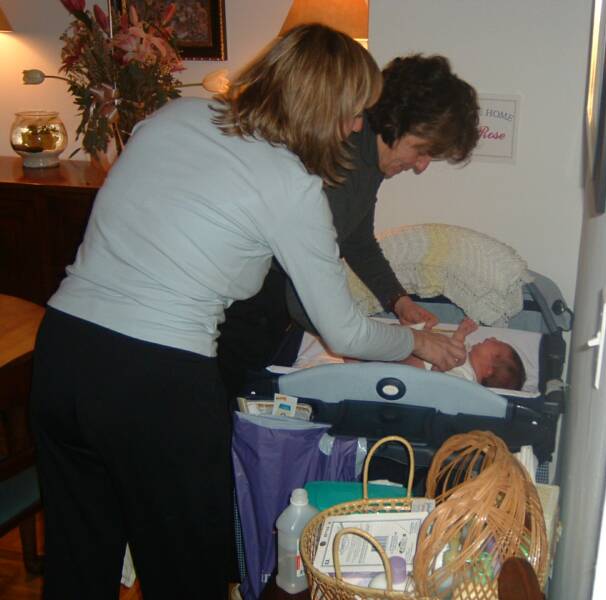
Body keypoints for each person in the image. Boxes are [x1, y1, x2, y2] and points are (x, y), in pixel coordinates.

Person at [28, 25, 466, 600]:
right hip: (155, 381)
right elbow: (342, 330)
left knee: (79, 560)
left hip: (62, 354)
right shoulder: (292, 185)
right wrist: (417, 342)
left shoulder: (172, 116)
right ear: (321, 106)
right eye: (354, 112)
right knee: (187, 574)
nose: (359, 126)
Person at [217, 53, 480, 399]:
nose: (421, 166)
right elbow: (304, 293)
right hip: (248, 301)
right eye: (421, 150)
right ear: (397, 122)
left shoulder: (370, 161)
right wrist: (367, 350)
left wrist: (398, 300)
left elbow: (357, 239)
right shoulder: (342, 157)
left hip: (276, 303)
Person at [308, 318, 527, 391]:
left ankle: (359, 358)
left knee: (400, 353)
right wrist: (460, 333)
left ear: (488, 369)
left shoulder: (467, 383)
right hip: (418, 358)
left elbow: (439, 382)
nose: (492, 338)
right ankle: (359, 355)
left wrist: (439, 364)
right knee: (395, 336)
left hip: (417, 371)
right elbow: (452, 350)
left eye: (496, 346)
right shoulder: (465, 356)